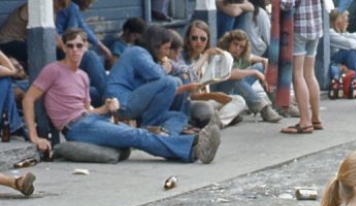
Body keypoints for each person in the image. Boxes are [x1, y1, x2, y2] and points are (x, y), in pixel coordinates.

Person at [23, 29, 221, 165]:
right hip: (76, 126)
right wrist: (34, 136)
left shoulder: (82, 76)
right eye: (70, 45)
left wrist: (106, 108)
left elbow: (89, 110)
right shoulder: (53, 70)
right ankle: (193, 148)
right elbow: (28, 99)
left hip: (92, 119)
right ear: (64, 48)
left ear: (85, 47)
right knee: (137, 135)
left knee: (138, 132)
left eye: (79, 46)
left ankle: (186, 142)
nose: (75, 50)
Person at [106, 25, 191, 136]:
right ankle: (149, 128)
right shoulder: (138, 52)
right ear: (155, 45)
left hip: (132, 99)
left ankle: (167, 131)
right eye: (166, 48)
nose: (167, 53)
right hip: (121, 103)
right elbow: (157, 74)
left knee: (180, 115)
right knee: (170, 82)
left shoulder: (146, 55)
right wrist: (164, 68)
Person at [182, 20, 248, 128]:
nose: (198, 42)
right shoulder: (183, 58)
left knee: (239, 100)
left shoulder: (204, 57)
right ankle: (220, 119)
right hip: (191, 103)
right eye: (194, 38)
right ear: (188, 38)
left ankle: (215, 124)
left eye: (203, 39)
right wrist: (213, 96)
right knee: (206, 109)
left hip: (207, 99)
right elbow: (191, 94)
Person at [214, 29, 282, 122]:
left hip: (233, 91)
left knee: (260, 66)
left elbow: (260, 59)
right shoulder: (221, 54)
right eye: (235, 44)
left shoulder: (239, 55)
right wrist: (254, 73)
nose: (237, 48)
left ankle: (278, 103)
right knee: (236, 78)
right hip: (219, 93)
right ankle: (263, 108)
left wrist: (265, 63)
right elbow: (229, 74)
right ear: (229, 43)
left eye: (241, 47)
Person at [281, 0, 324, 134]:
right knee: (309, 74)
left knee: (298, 75)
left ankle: (305, 121)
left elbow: (287, 4)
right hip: (315, 26)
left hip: (299, 28)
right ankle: (316, 118)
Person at [328, 9, 356, 94]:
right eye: (346, 21)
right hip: (331, 62)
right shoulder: (330, 33)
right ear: (338, 22)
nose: (348, 23)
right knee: (350, 53)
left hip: (340, 60)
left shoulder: (342, 33)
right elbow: (349, 44)